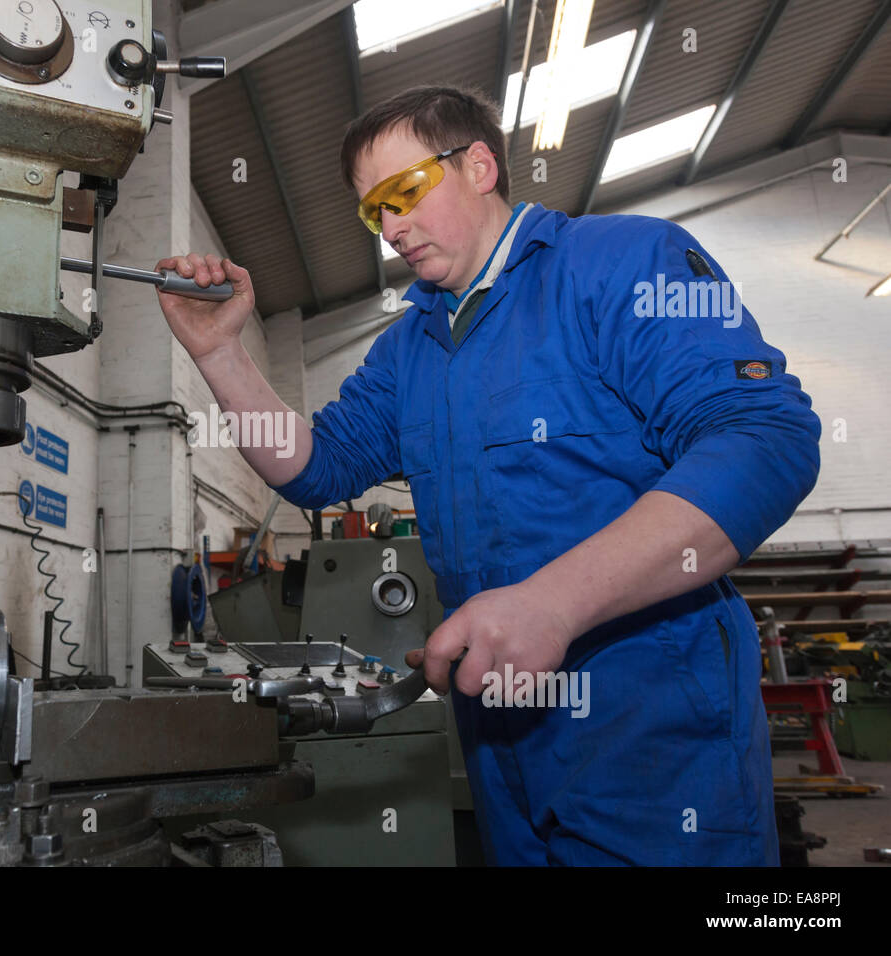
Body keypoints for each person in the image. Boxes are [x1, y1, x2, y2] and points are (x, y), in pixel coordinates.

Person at [155, 85, 820, 865]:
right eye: (374, 212)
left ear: (478, 165)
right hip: (497, 712)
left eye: (405, 193)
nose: (392, 228)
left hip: (649, 710)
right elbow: (313, 469)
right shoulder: (412, 346)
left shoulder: (621, 263)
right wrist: (219, 353)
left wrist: (556, 603)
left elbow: (765, 435)